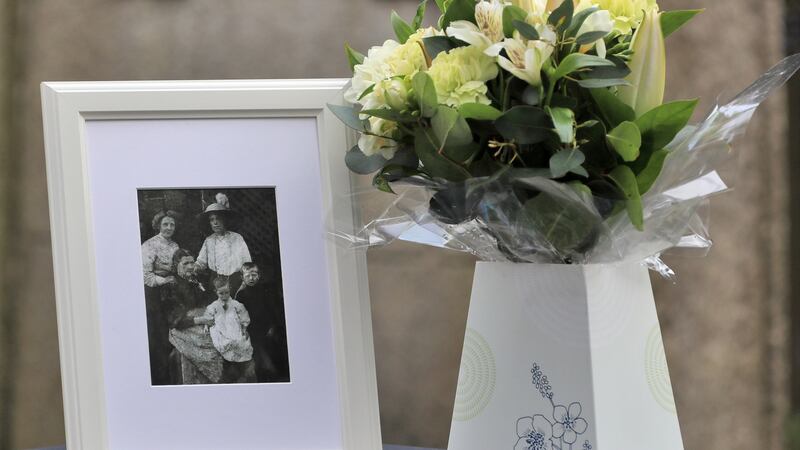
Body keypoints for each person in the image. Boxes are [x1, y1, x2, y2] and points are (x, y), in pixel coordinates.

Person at [161, 249, 221, 384]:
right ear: (176, 265)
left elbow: (208, 305)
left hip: (202, 326)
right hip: (182, 331)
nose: (190, 266)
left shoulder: (196, 281)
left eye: (192, 262)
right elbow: (175, 320)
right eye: (185, 263)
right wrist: (201, 319)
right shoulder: (170, 285)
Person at [140, 210, 180, 385]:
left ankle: (174, 376)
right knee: (157, 336)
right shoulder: (149, 245)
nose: (169, 227)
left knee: (172, 332)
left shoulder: (175, 246)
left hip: (171, 293)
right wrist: (164, 280)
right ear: (158, 225)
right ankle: (160, 378)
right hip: (154, 294)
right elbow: (145, 275)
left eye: (172, 224)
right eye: (165, 224)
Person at [235, 262, 290, 382]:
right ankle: (263, 373)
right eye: (248, 275)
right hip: (251, 329)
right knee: (257, 351)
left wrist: (272, 326)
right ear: (242, 277)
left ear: (259, 276)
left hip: (267, 327)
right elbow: (239, 316)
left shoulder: (265, 290)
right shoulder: (240, 295)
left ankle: (278, 373)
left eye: (254, 275)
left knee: (275, 345)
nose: (251, 278)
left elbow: (272, 310)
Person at [199, 276, 255, 383]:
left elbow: (244, 317)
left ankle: (242, 371)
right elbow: (208, 317)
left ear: (230, 289)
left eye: (226, 292)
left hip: (234, 329)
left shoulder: (236, 305)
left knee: (241, 344)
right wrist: (206, 325)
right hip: (222, 332)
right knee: (226, 348)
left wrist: (244, 327)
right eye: (221, 293)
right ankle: (230, 373)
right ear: (216, 292)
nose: (224, 296)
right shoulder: (213, 306)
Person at [196, 193, 252, 293]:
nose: (215, 222)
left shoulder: (237, 238)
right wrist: (193, 267)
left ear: (225, 220)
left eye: (218, 218)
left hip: (235, 281)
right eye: (212, 219)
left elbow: (247, 263)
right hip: (215, 282)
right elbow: (201, 262)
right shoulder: (209, 240)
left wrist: (245, 281)